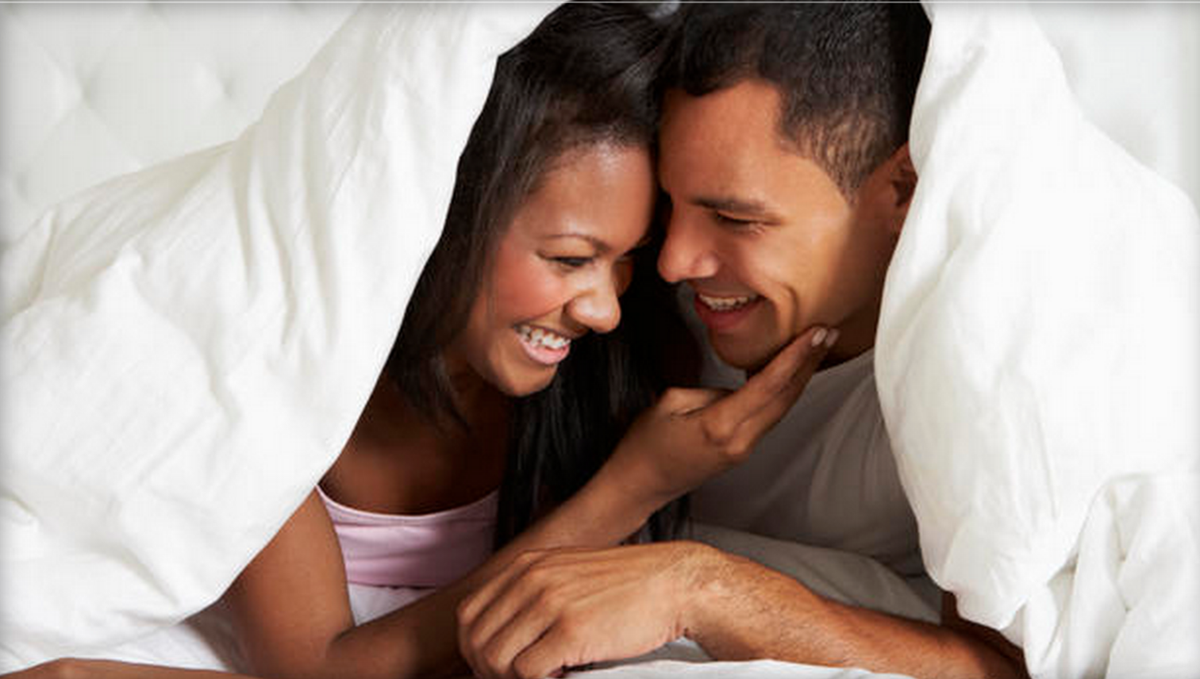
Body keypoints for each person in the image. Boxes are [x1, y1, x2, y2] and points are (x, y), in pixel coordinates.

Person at [5, 4, 837, 679]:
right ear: (446, 220)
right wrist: (634, 484)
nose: (603, 309)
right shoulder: (280, 368)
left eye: (627, 260)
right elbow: (313, 666)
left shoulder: (616, 367)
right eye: (569, 258)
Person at [456, 4, 1030, 679]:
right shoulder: (613, 289)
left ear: (902, 190)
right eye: (669, 206)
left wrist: (699, 589)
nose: (672, 261)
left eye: (734, 218)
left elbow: (1004, 667)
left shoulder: (988, 349)